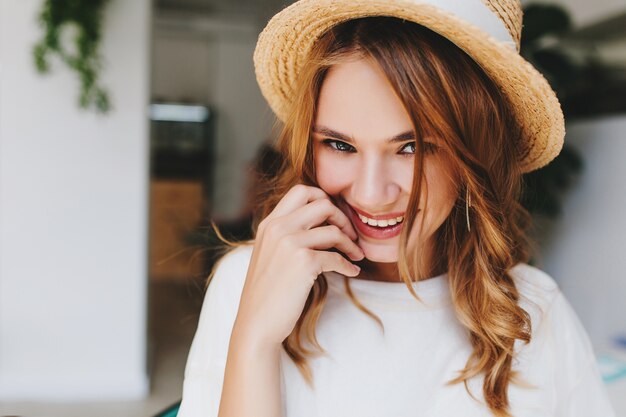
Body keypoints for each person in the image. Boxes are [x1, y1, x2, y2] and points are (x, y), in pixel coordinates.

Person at [178, 1, 616, 416]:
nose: (372, 194)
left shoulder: (534, 309)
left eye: (413, 147)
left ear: (475, 154)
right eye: (339, 144)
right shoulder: (248, 281)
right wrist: (255, 339)